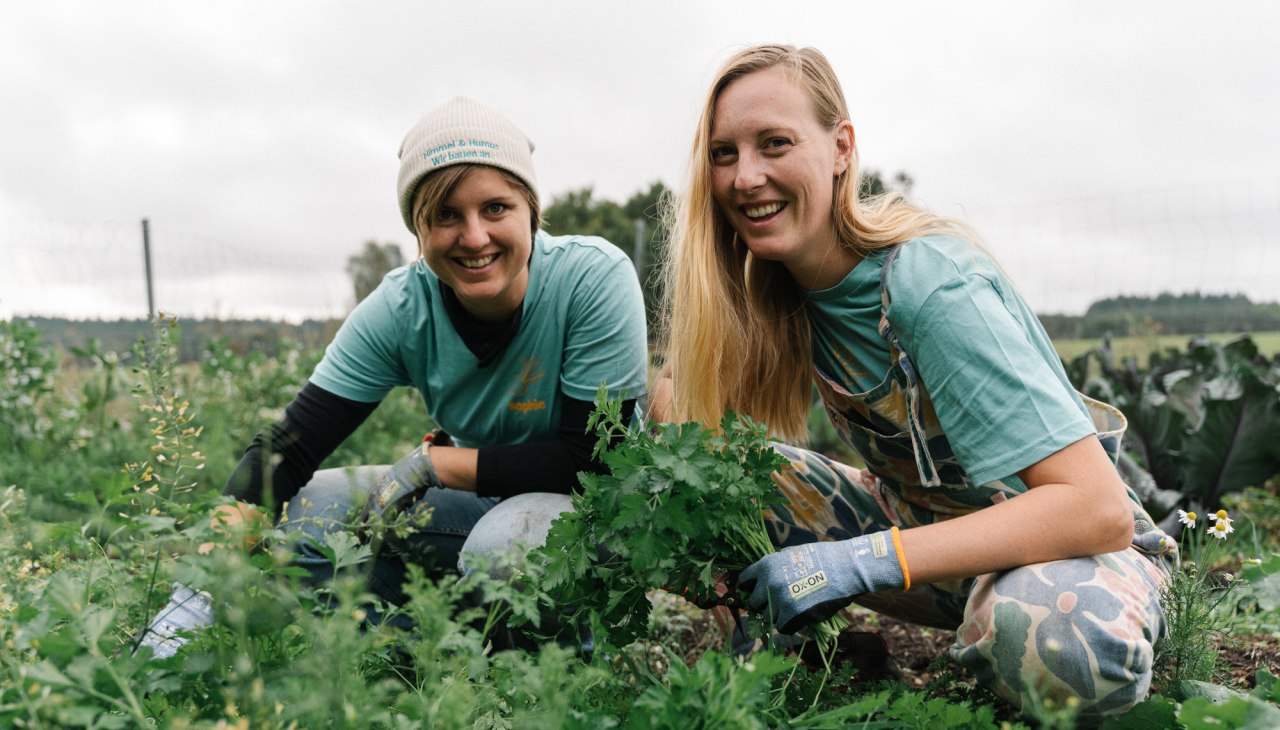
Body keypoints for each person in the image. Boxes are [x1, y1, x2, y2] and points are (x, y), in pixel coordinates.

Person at [652, 44, 1173, 722]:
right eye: (724, 154)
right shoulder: (776, 290)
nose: (746, 176)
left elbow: (1094, 510)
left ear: (841, 148)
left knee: (1063, 647)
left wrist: (856, 563)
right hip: (935, 540)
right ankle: (785, 672)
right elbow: (678, 418)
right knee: (707, 472)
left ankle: (994, 649)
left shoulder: (928, 283)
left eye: (774, 144)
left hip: (1074, 553)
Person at [140, 96, 649, 654]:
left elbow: (593, 463)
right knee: (293, 518)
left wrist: (435, 463)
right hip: (480, 496)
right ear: (418, 229)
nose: (474, 237)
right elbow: (287, 448)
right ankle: (430, 651)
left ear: (532, 210)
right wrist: (195, 588)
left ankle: (576, 665)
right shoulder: (403, 307)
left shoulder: (592, 278)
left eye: (496, 208)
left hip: (595, 511)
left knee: (505, 546)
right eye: (446, 215)